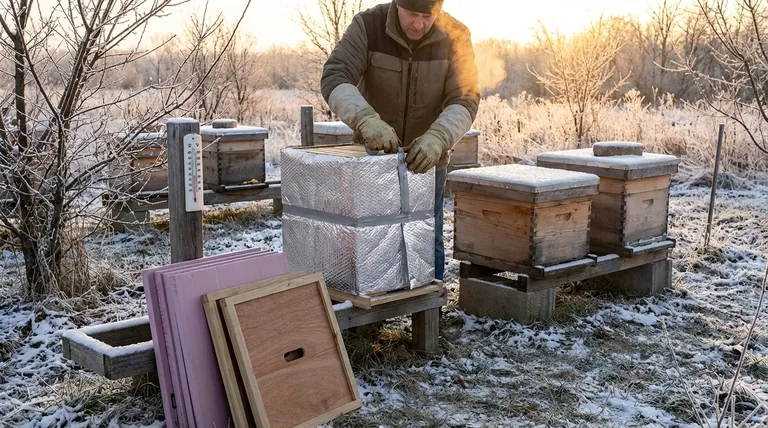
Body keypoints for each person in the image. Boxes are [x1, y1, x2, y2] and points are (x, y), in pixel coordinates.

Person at [320, 0, 480, 281]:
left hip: (427, 163)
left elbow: (465, 98)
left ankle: (428, 319)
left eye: (427, 17)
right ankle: (368, 319)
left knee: (427, 240)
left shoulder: (457, 35)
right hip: (372, 161)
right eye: (412, 15)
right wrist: (366, 120)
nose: (418, 24)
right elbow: (335, 75)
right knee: (368, 241)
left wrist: (438, 138)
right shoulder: (368, 25)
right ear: (397, 5)